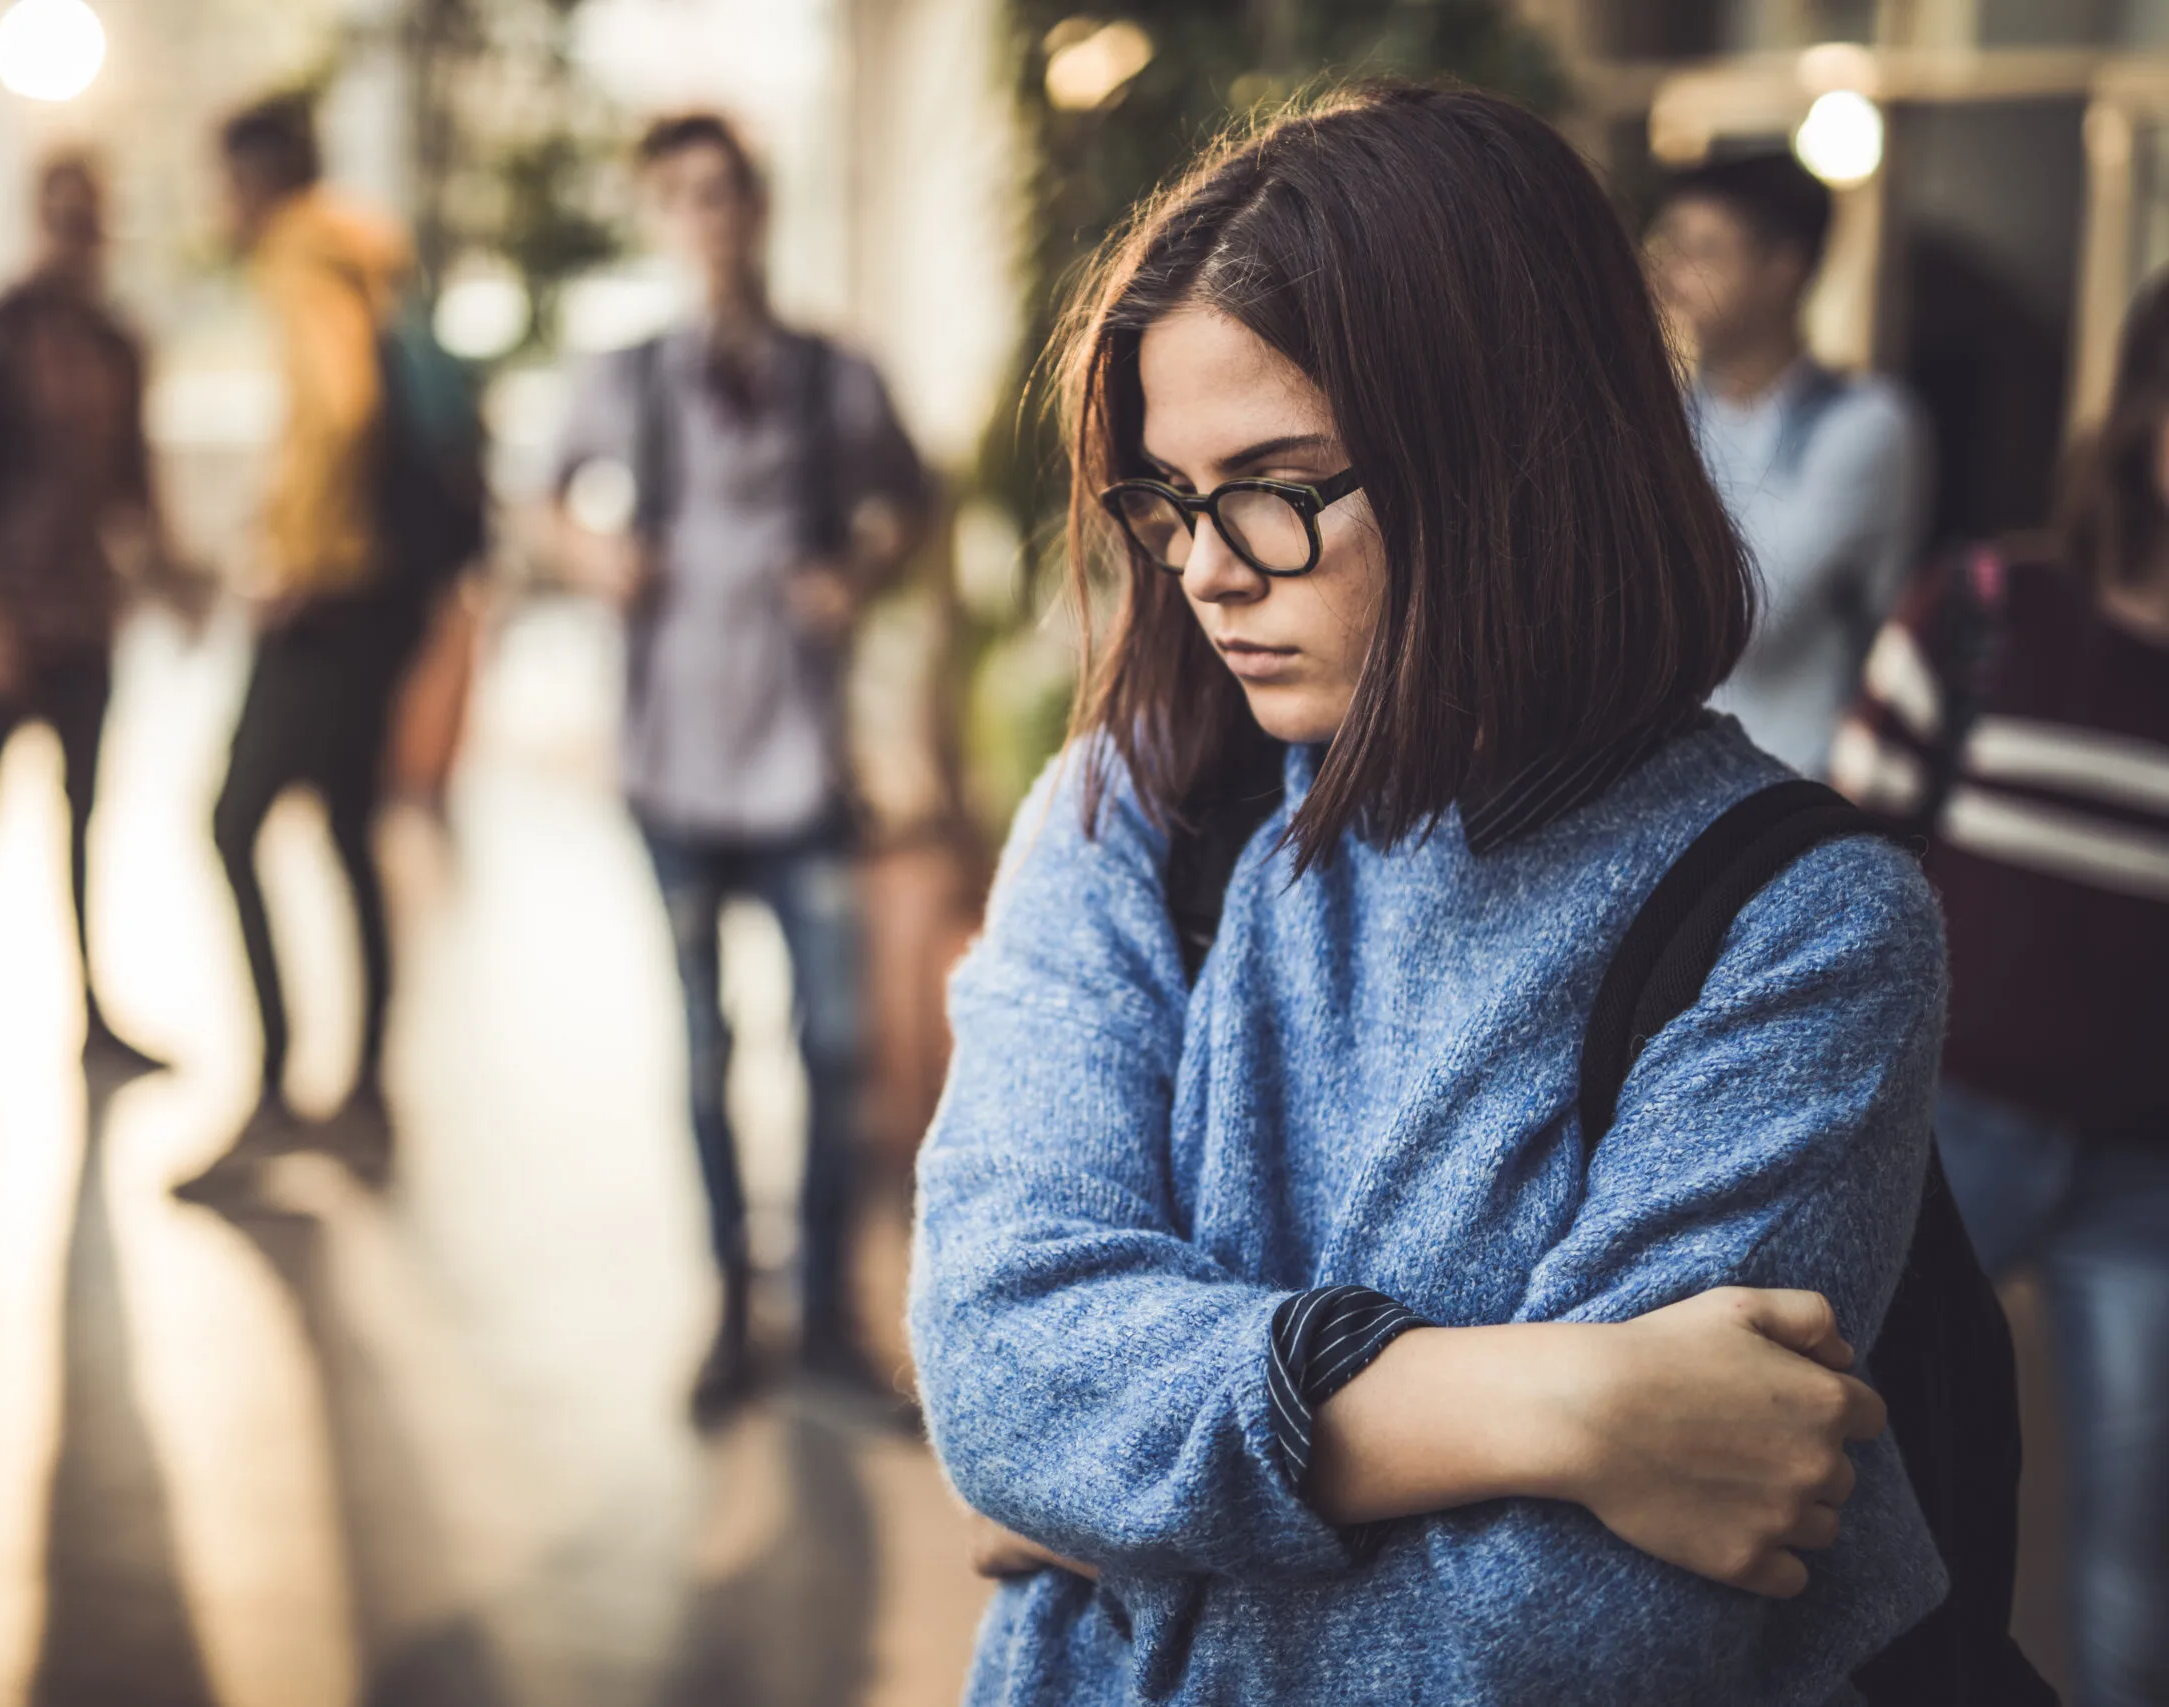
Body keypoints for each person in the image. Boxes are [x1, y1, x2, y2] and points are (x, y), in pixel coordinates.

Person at [909, 86, 1951, 1702]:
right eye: (1170, 498)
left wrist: (1116, 1529)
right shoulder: (1140, 803)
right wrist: (1557, 1408)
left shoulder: (1795, 925)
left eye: (1275, 483)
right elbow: (996, 1367)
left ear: (1508, 456)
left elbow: (1569, 1642)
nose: (1203, 570)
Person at [547, 112, 928, 1422]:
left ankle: (823, 1307)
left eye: (725, 195)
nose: (707, 220)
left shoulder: (835, 375)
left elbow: (913, 502)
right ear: (665, 220)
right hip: (673, 765)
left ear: (758, 209)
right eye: (681, 200)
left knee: (833, 1043)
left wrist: (857, 571)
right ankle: (730, 1302)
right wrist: (594, 558)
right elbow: (541, 500)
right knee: (703, 1047)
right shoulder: (629, 378)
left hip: (802, 765)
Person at [1832, 276, 2169, 1707]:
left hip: (2147, 1172)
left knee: (2135, 1555)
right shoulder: (1983, 609)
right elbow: (1839, 878)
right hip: (1939, 1132)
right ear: (2143, 419)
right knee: (1858, 1500)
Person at [0, 152, 178, 1136]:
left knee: (84, 825)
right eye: (60, 217)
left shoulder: (115, 342)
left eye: (89, 219)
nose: (76, 237)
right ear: (34, 220)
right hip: (4, 626)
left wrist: (173, 573)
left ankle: (93, 1017)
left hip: (84, 624)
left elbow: (136, 484)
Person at [199, 97, 422, 1156]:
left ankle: (277, 1091)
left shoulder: (299, 258)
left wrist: (294, 562)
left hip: (326, 600)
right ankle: (367, 1089)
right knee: (342, 833)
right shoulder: (366, 251)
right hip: (380, 602)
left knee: (233, 824)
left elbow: (339, 412)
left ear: (259, 179)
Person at [1651, 151, 1930, 776]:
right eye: (1672, 248)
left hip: (1806, 781)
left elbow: (1749, 616)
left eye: (1707, 251)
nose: (1675, 275)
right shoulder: (1675, 419)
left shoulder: (1866, 424)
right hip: (1681, 776)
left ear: (1785, 268)